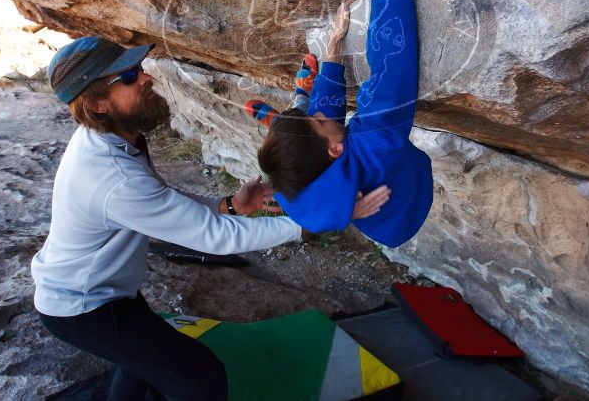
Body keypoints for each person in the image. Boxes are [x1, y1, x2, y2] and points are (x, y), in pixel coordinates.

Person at [30, 36, 389, 400]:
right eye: (126, 78)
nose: (145, 78)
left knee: (141, 363)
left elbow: (161, 200)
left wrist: (228, 205)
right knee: (201, 379)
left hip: (104, 293)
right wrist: (316, 220)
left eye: (137, 69)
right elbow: (216, 238)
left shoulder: (114, 138)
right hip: (84, 307)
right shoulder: (112, 176)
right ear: (96, 103)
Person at [255, 0, 434, 248]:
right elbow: (391, 71)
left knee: (316, 130)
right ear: (337, 150)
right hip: (410, 192)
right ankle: (298, 97)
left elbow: (325, 116)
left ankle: (300, 100)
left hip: (384, 224)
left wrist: (334, 49)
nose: (321, 114)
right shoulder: (373, 144)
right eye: (319, 121)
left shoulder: (306, 178)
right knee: (342, 120)